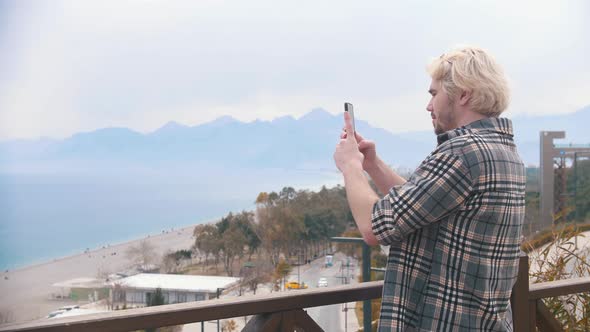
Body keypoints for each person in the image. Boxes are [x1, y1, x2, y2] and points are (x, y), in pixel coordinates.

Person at [333, 46, 525, 331]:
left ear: (463, 94)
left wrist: (350, 165)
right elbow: (423, 205)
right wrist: (373, 165)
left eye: (434, 94)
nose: (428, 105)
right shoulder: (503, 151)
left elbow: (375, 227)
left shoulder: (462, 152)